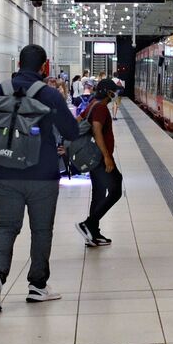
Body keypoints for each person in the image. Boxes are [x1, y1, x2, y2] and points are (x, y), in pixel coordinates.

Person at [0, 44, 79, 311]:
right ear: (44, 66)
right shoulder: (49, 94)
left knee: (5, 227)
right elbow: (70, 132)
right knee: (41, 230)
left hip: (4, 174)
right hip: (43, 175)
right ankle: (37, 285)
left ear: (17, 65)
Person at [76, 79, 123, 247]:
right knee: (116, 189)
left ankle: (93, 233)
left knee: (99, 192)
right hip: (99, 158)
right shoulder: (101, 108)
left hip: (93, 157)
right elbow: (96, 129)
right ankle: (88, 224)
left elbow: (78, 120)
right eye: (113, 91)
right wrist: (107, 156)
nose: (115, 94)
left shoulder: (92, 104)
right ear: (107, 92)